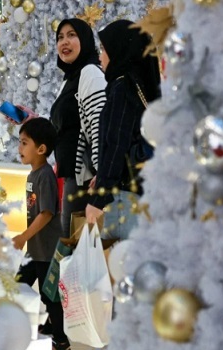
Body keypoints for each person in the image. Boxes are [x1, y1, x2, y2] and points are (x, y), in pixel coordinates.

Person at [7, 18, 106, 238]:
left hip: (87, 181)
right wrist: (31, 119)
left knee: (78, 248)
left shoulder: (90, 73)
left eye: (71, 35)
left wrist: (102, 175)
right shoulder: (71, 79)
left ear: (85, 40)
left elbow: (100, 126)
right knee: (73, 247)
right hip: (72, 178)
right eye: (60, 37)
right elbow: (63, 130)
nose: (64, 42)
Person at [85, 19, 161, 240]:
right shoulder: (138, 84)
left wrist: (99, 197)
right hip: (140, 191)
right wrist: (102, 176)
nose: (100, 56)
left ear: (119, 49)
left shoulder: (122, 87)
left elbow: (116, 144)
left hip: (124, 198)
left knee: (120, 257)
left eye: (104, 49)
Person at [12, 117, 71, 350]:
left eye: (24, 143)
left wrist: (23, 236)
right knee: (19, 284)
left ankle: (62, 342)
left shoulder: (45, 175)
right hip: (35, 248)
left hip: (47, 250)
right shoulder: (32, 176)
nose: (19, 147)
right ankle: (43, 325)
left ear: (41, 149)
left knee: (50, 295)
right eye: (20, 142)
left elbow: (47, 213)